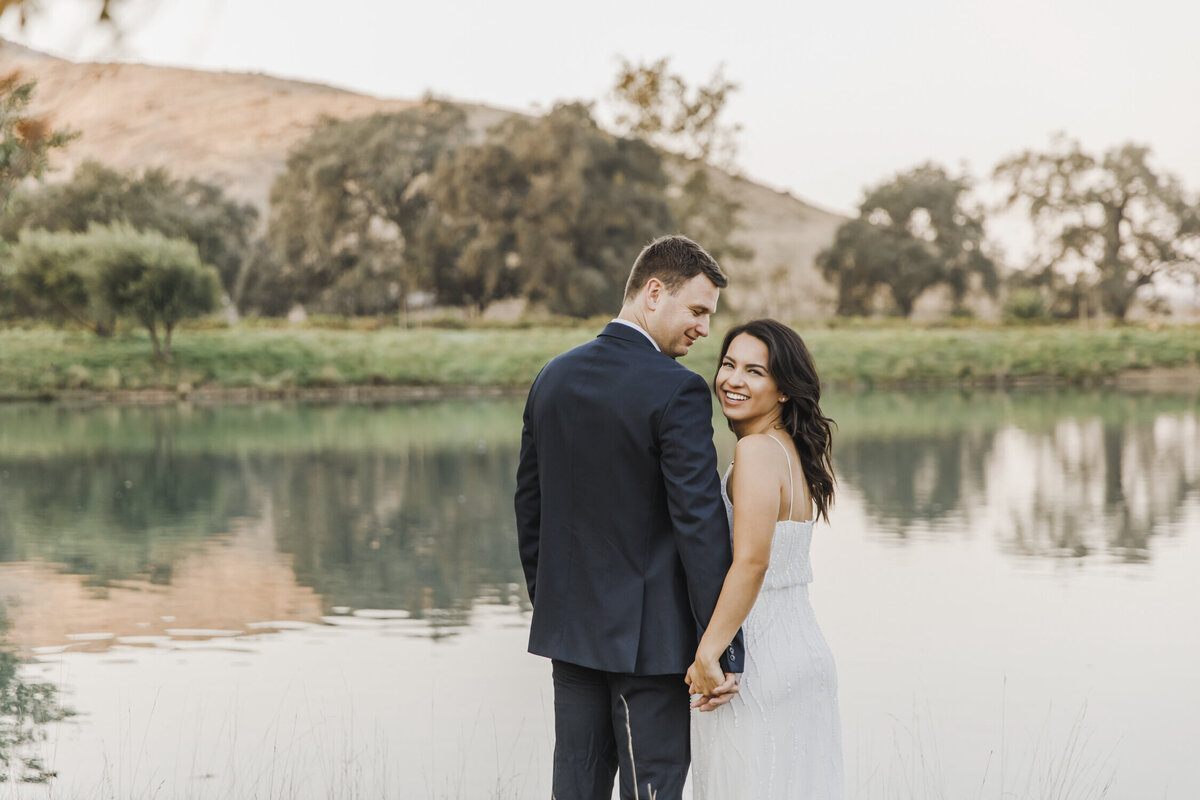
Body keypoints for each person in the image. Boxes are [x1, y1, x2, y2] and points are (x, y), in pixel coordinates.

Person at [514, 234, 746, 800]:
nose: (703, 329)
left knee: (574, 786)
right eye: (696, 311)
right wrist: (722, 647)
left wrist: (554, 602)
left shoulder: (553, 375)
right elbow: (700, 527)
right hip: (651, 649)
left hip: (570, 635)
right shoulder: (678, 391)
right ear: (653, 292)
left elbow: (529, 506)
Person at [687, 319, 844, 799]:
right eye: (729, 365)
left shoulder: (755, 451)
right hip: (805, 651)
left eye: (754, 371)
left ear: (782, 390)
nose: (733, 380)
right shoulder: (791, 451)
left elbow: (752, 562)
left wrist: (708, 653)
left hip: (756, 660)